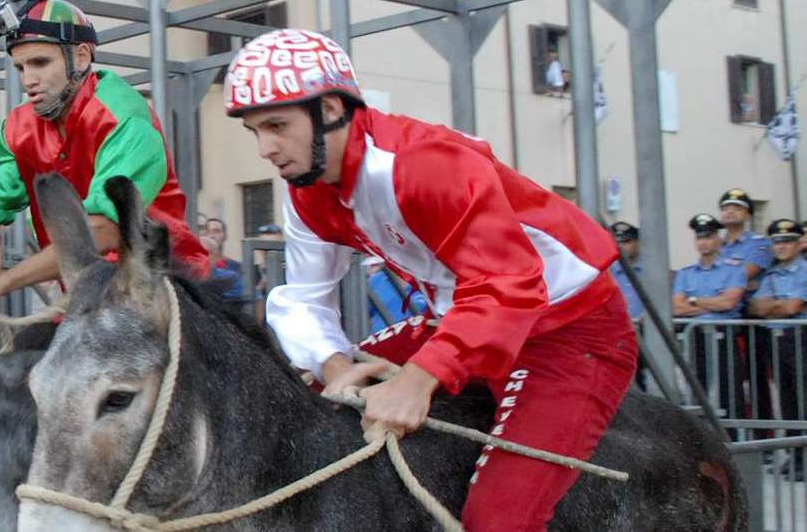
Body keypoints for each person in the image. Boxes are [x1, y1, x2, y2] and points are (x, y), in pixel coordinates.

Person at [229, 28, 637, 532]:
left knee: (496, 522)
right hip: (461, 323)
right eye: (254, 131)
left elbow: (507, 284)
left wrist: (419, 380)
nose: (265, 149)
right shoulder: (307, 189)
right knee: (307, 402)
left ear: (331, 108)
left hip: (569, 335)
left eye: (276, 125)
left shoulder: (424, 165)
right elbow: (303, 297)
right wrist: (335, 368)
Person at [0, 0, 206, 308]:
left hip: (167, 292)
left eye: (40, 63)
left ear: (81, 58)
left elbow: (104, 231)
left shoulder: (124, 117)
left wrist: (4, 282)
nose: (28, 80)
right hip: (87, 297)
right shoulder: (18, 127)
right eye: (20, 67)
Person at [747, 218, 806, 446]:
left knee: (803, 397)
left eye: (788, 242)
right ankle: (794, 451)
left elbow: (792, 308)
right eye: (777, 242)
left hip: (799, 337)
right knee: (786, 398)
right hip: (778, 338)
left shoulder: (804, 271)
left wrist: (773, 306)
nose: (781, 247)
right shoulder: (771, 274)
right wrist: (779, 307)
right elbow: (754, 307)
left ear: (798, 243)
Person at [673, 213, 747, 320]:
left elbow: (727, 303)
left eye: (708, 237)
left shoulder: (735, 269)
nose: (703, 243)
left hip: (725, 332)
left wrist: (693, 300)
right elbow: (676, 308)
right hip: (693, 333)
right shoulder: (685, 274)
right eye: (699, 238)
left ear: (718, 240)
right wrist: (714, 306)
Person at [717, 188, 774, 286]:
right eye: (726, 209)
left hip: (747, 299)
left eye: (737, 208)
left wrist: (710, 280)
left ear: (748, 216)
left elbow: (742, 275)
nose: (730, 212)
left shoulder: (759, 243)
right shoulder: (716, 245)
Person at [608, 221, 644, 319]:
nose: (621, 247)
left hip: (646, 329)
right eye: (617, 242)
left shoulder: (651, 272)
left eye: (626, 242)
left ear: (637, 242)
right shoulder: (607, 272)